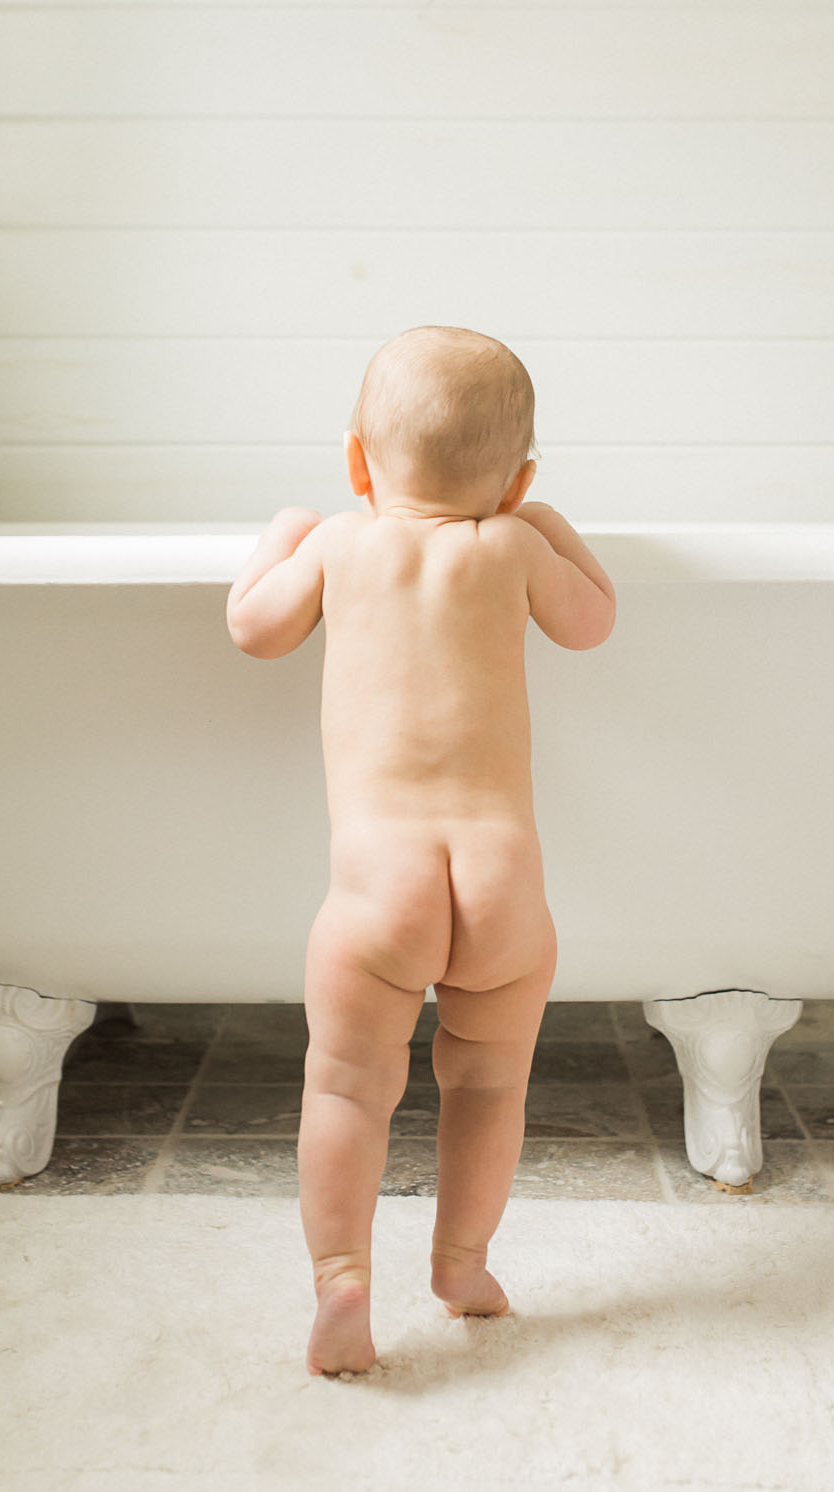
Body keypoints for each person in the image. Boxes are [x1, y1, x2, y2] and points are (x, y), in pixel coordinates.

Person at [224, 327, 615, 1376]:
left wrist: (280, 532)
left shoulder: (336, 546)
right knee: (487, 1086)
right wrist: (545, 520)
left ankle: (342, 1281)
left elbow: (253, 629)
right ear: (518, 478)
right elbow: (591, 622)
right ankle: (460, 1262)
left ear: (356, 464)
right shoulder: (515, 547)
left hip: (374, 891)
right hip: (501, 887)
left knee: (347, 1088)